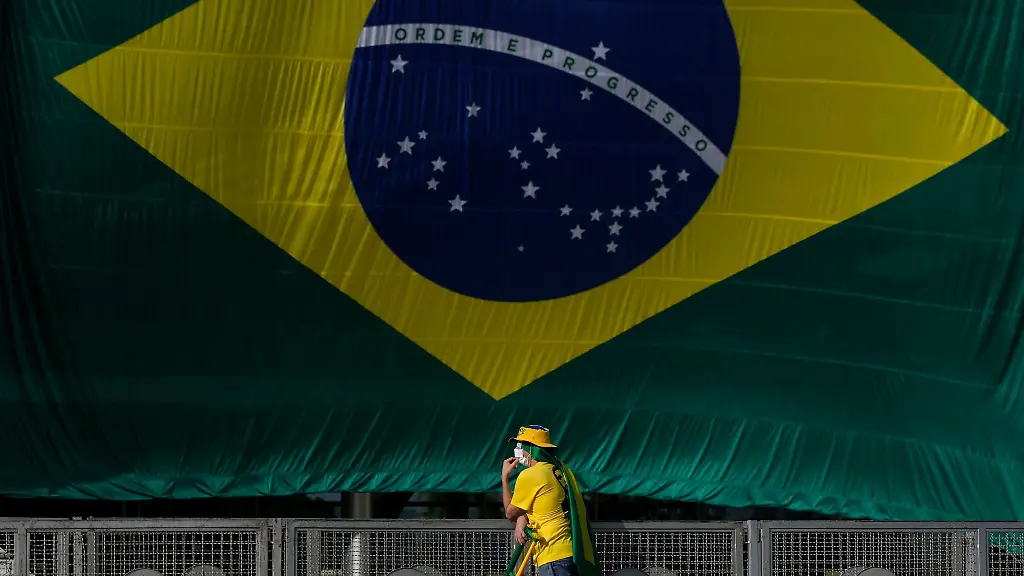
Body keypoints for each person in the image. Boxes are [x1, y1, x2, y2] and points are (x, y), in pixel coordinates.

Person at [501, 425, 578, 576]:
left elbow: (510, 513)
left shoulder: (531, 475)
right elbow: (535, 505)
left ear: (531, 449)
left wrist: (504, 478)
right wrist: (522, 519)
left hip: (552, 555)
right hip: (568, 551)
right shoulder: (557, 470)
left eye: (520, 445)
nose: (517, 450)